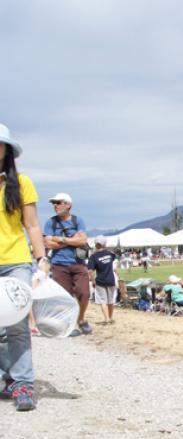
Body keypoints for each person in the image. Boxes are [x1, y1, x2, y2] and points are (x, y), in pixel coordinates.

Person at [0, 123, 47, 411]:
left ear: (6, 150)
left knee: (16, 325)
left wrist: (42, 258)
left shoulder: (22, 183)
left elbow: (31, 224)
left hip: (15, 261)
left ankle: (22, 384)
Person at [43, 192, 92, 335]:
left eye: (58, 203)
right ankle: (69, 325)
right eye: (54, 203)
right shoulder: (50, 222)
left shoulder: (78, 221)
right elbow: (48, 244)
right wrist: (71, 240)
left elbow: (82, 241)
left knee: (84, 293)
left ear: (68, 205)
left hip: (78, 263)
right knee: (64, 297)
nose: (55, 206)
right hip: (59, 265)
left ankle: (81, 319)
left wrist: (61, 239)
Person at [86, 236, 118, 324]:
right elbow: (115, 258)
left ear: (96, 244)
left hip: (100, 281)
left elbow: (90, 271)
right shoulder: (110, 254)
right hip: (111, 280)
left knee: (103, 301)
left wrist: (93, 281)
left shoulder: (93, 257)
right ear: (104, 244)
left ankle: (107, 318)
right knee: (111, 301)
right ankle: (110, 318)